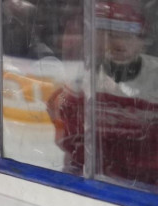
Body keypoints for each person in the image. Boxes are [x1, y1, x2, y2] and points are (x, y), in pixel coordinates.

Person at [47, 0, 158, 189]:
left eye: (128, 36)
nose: (118, 43)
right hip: (89, 190)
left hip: (145, 195)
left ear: (142, 42)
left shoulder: (155, 76)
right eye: (112, 34)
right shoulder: (81, 80)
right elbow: (68, 137)